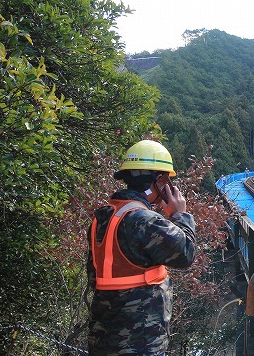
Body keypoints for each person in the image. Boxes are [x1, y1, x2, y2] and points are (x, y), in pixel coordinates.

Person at [87, 140, 196, 355]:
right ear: (159, 180)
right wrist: (179, 214)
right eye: (166, 180)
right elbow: (186, 254)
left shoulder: (104, 217)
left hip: (103, 339)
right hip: (139, 343)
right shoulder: (143, 220)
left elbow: (95, 275)